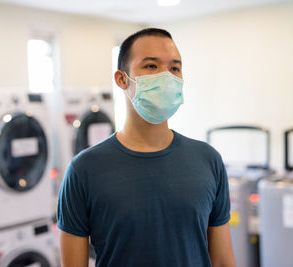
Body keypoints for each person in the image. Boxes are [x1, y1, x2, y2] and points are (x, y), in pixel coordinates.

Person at [56, 28, 236, 267]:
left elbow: (223, 261)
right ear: (122, 79)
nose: (166, 77)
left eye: (174, 68)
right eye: (151, 66)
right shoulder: (84, 169)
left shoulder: (208, 160)